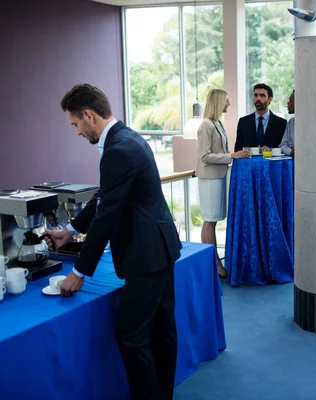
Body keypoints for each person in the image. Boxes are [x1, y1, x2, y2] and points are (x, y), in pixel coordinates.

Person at [45, 83, 182, 400]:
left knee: (131, 337)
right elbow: (106, 195)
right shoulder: (128, 137)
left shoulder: (118, 149)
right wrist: (70, 230)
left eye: (75, 124)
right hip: (159, 247)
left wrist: (78, 273)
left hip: (144, 255)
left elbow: (107, 216)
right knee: (163, 331)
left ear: (89, 115)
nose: (77, 132)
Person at [195, 89, 250, 279]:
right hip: (209, 178)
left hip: (217, 176)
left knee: (213, 219)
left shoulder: (216, 123)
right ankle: (215, 263)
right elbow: (205, 156)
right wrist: (232, 156)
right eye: (227, 101)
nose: (229, 105)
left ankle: (212, 261)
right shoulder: (206, 126)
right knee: (210, 220)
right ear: (218, 102)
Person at [234, 83, 287, 151]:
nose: (258, 98)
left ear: (270, 99)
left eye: (262, 95)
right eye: (255, 95)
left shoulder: (281, 123)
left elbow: (283, 148)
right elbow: (237, 149)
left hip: (271, 161)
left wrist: (270, 150)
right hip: (249, 161)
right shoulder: (243, 122)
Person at [280, 89, 295, 156]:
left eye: (290, 100)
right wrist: (291, 151)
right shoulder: (291, 122)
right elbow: (282, 145)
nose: (288, 103)